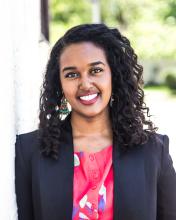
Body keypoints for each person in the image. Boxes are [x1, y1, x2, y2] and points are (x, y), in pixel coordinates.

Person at [15, 24, 176, 220]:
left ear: (114, 75)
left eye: (96, 70)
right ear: (59, 83)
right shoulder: (30, 150)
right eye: (71, 74)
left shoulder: (153, 151)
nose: (85, 84)